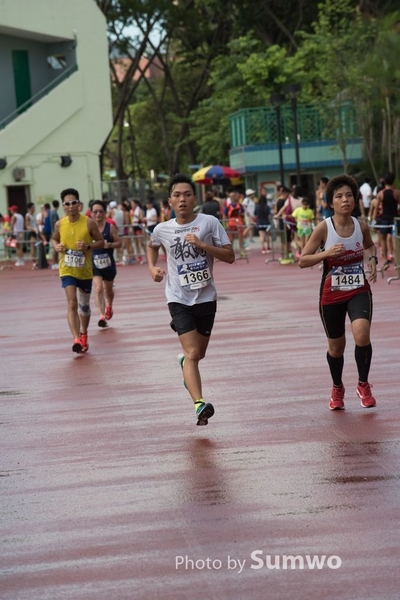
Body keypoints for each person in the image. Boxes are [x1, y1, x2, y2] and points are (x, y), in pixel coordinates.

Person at [147, 173, 235, 426]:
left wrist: (204, 245)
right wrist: (152, 268)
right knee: (194, 351)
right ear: (170, 201)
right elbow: (152, 245)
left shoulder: (209, 223)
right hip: (178, 297)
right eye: (177, 195)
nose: (182, 199)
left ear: (194, 198)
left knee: (198, 355)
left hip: (206, 297)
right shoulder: (162, 229)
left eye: (187, 194)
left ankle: (185, 362)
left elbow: (229, 256)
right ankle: (199, 404)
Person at [299, 174, 378, 411]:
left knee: (362, 334)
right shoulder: (323, 228)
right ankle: (337, 387)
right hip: (331, 294)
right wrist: (326, 253)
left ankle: (363, 385)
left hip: (358, 290)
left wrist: (372, 259)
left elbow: (370, 245)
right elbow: (303, 260)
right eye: (339, 196)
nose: (345, 200)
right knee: (337, 347)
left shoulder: (361, 226)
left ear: (354, 200)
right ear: (330, 202)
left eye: (349, 196)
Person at [52, 188, 105, 353]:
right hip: (67, 270)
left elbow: (101, 242)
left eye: (74, 202)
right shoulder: (60, 224)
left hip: (84, 271)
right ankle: (75, 339)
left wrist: (88, 246)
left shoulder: (88, 222)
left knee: (84, 306)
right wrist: (57, 246)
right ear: (63, 206)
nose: (71, 206)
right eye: (67, 203)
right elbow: (54, 239)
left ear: (79, 204)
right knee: (72, 303)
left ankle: (84, 333)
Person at [91, 200, 122, 327]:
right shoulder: (89, 228)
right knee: (98, 289)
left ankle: (109, 305)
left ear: (105, 213)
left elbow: (119, 243)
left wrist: (109, 244)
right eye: (95, 211)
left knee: (108, 291)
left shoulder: (110, 227)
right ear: (91, 213)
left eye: (100, 211)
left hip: (108, 265)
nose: (98, 214)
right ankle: (102, 316)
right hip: (94, 264)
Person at [375, 172, 400, 269]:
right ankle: (397, 262)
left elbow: (377, 208)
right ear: (393, 181)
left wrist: (373, 219)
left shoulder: (380, 194)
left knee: (384, 240)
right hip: (394, 219)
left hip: (384, 219)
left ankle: (386, 261)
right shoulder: (396, 192)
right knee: (395, 240)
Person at [224, 190, 245, 257]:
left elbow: (243, 214)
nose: (233, 197)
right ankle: (230, 252)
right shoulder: (228, 207)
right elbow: (225, 216)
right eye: (231, 196)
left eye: (234, 196)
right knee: (230, 239)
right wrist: (225, 224)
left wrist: (240, 214)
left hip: (239, 224)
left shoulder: (240, 205)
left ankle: (242, 251)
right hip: (231, 224)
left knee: (240, 238)